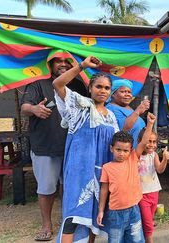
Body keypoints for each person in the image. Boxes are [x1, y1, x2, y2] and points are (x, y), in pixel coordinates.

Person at [20, 57, 87, 241]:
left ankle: (68, 222)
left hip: (73, 147)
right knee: (47, 188)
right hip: (45, 147)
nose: (63, 64)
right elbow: (24, 106)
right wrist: (34, 109)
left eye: (67, 61)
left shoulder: (79, 86)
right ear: (50, 65)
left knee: (70, 186)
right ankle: (47, 226)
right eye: (58, 61)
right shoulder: (38, 84)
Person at [53, 56, 119, 243]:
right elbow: (58, 84)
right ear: (90, 88)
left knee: (94, 217)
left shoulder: (112, 117)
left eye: (107, 88)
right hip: (78, 171)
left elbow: (116, 146)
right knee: (74, 214)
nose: (103, 91)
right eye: (98, 86)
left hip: (101, 172)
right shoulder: (79, 107)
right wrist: (81, 66)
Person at [97, 113, 156, 243]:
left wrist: (150, 124)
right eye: (118, 149)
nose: (122, 153)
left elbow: (144, 142)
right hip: (114, 213)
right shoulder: (107, 167)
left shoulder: (133, 159)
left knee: (136, 240)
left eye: (125, 151)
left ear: (130, 151)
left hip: (134, 210)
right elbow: (104, 190)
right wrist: (101, 211)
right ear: (111, 149)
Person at [137, 127, 169, 243]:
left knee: (148, 221)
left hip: (154, 192)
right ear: (141, 141)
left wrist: (165, 160)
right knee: (148, 224)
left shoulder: (154, 155)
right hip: (141, 194)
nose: (152, 144)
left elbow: (160, 170)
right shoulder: (136, 156)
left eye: (154, 141)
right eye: (148, 141)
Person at [106, 79, 150, 148]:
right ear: (113, 94)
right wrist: (138, 111)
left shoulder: (129, 109)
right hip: (124, 153)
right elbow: (122, 130)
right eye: (123, 92)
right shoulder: (111, 108)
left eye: (129, 92)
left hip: (137, 152)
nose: (127, 94)